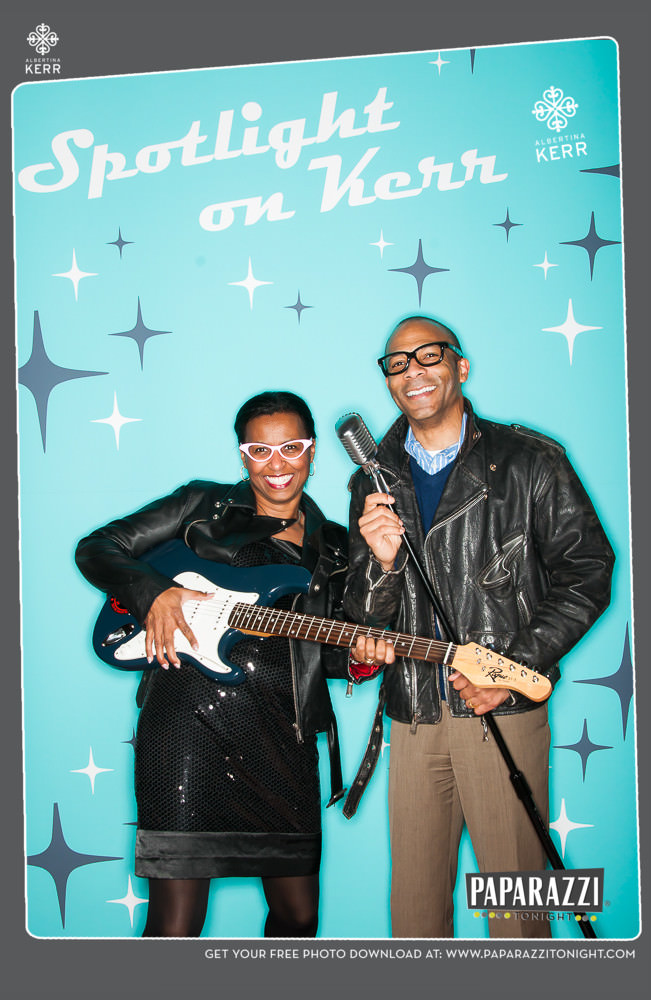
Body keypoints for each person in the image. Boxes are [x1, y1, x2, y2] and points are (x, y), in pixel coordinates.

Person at [343, 316, 614, 939]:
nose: (414, 371)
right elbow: (365, 619)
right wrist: (381, 565)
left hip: (503, 712)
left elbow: (588, 572)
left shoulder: (530, 460)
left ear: (460, 367)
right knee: (414, 918)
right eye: (397, 363)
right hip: (411, 716)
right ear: (388, 383)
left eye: (429, 355)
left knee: (515, 913)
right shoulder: (371, 478)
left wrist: (509, 674)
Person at [76, 391, 359, 938]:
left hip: (284, 735)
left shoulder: (336, 547)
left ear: (313, 451)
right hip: (188, 728)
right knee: (177, 923)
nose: (277, 464)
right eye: (260, 450)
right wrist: (154, 592)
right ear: (242, 455)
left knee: (298, 918)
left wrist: (362, 661)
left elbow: (326, 656)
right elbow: (98, 547)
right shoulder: (201, 505)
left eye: (292, 448)